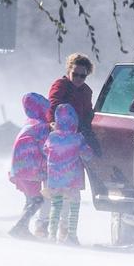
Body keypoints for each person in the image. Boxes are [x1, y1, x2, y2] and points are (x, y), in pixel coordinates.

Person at [37, 53, 100, 238]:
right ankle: (43, 223)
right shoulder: (61, 85)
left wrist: (88, 136)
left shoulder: (86, 91)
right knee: (52, 188)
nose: (79, 79)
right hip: (57, 143)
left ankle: (65, 227)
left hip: (74, 143)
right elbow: (54, 105)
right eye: (76, 74)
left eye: (83, 75)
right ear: (69, 71)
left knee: (69, 189)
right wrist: (55, 124)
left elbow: (87, 114)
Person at [43, 103, 94, 245]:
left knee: (56, 205)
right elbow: (87, 154)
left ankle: (52, 235)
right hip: (72, 179)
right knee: (74, 205)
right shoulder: (77, 138)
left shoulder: (52, 137)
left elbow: (45, 150)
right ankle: (71, 235)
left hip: (55, 179)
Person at [7, 93, 51, 239]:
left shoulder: (28, 124)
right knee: (38, 199)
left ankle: (23, 227)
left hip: (19, 167)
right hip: (31, 169)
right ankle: (18, 227)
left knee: (30, 199)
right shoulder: (41, 126)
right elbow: (45, 147)